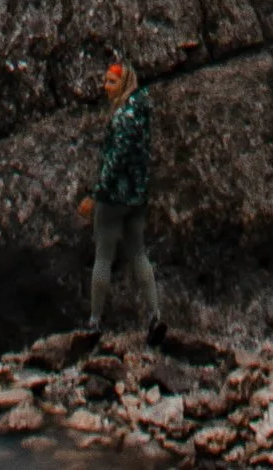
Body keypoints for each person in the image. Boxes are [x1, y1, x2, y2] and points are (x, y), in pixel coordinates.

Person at [81, 53, 162, 335]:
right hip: (137, 198)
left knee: (103, 257)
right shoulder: (141, 112)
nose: (106, 86)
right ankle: (154, 315)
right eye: (105, 80)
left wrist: (96, 194)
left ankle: (95, 320)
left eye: (111, 81)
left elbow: (115, 161)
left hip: (113, 199)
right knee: (138, 254)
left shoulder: (123, 118)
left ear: (124, 83)